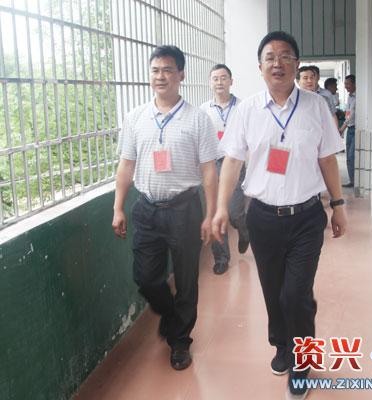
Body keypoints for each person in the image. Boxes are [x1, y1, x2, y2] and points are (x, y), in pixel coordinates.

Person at [212, 31, 347, 400]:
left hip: (306, 217)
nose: (277, 63)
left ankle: (303, 362)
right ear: (260, 67)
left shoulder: (316, 107)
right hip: (263, 218)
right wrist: (221, 207)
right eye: (270, 57)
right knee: (273, 291)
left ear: (297, 65)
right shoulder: (247, 111)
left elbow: (327, 159)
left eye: (286, 56)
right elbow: (232, 162)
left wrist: (338, 206)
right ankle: (283, 345)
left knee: (295, 294)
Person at [111, 45, 218, 371]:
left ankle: (180, 341)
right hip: (146, 209)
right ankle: (170, 316)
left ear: (180, 75)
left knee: (186, 279)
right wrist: (118, 208)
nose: (161, 76)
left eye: (168, 70)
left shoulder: (198, 119)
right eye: (155, 70)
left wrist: (211, 214)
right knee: (145, 278)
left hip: (185, 209)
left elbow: (209, 170)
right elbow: (126, 165)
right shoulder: (135, 118)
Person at [200, 64, 249, 275]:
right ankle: (221, 258)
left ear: (231, 81)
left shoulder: (243, 107)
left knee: (234, 212)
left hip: (235, 163)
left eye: (223, 78)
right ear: (210, 83)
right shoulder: (203, 110)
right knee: (214, 212)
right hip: (212, 165)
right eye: (215, 78)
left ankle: (244, 230)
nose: (219, 82)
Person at [339, 74, 356, 188]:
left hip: (355, 128)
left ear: (355, 84)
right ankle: (352, 180)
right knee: (349, 157)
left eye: (348, 84)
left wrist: (342, 128)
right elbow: (348, 113)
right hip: (349, 129)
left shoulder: (358, 97)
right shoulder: (350, 97)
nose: (346, 86)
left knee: (352, 155)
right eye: (345, 84)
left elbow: (351, 115)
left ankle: (355, 181)